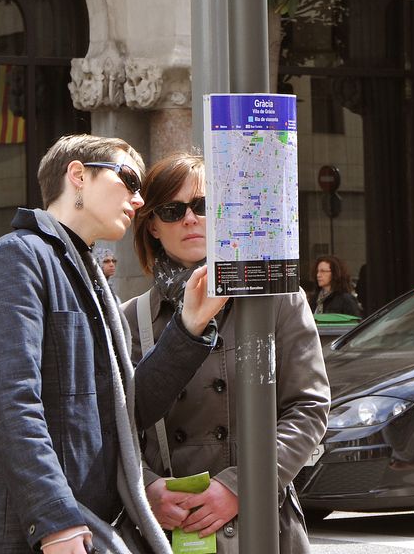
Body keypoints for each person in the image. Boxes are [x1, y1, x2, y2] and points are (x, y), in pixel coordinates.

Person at [0, 134, 227, 554]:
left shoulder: (87, 276)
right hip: (36, 534)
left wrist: (190, 325)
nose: (139, 200)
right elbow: (11, 402)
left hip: (90, 527)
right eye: (129, 179)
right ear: (78, 175)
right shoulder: (17, 258)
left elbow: (126, 411)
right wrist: (55, 520)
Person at [123, 152, 330, 553]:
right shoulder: (131, 318)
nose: (190, 219)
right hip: (166, 532)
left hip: (263, 524)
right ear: (151, 225)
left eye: (202, 206)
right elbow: (117, 428)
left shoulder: (277, 298)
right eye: (171, 209)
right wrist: (147, 490)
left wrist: (241, 486)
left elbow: (308, 407)